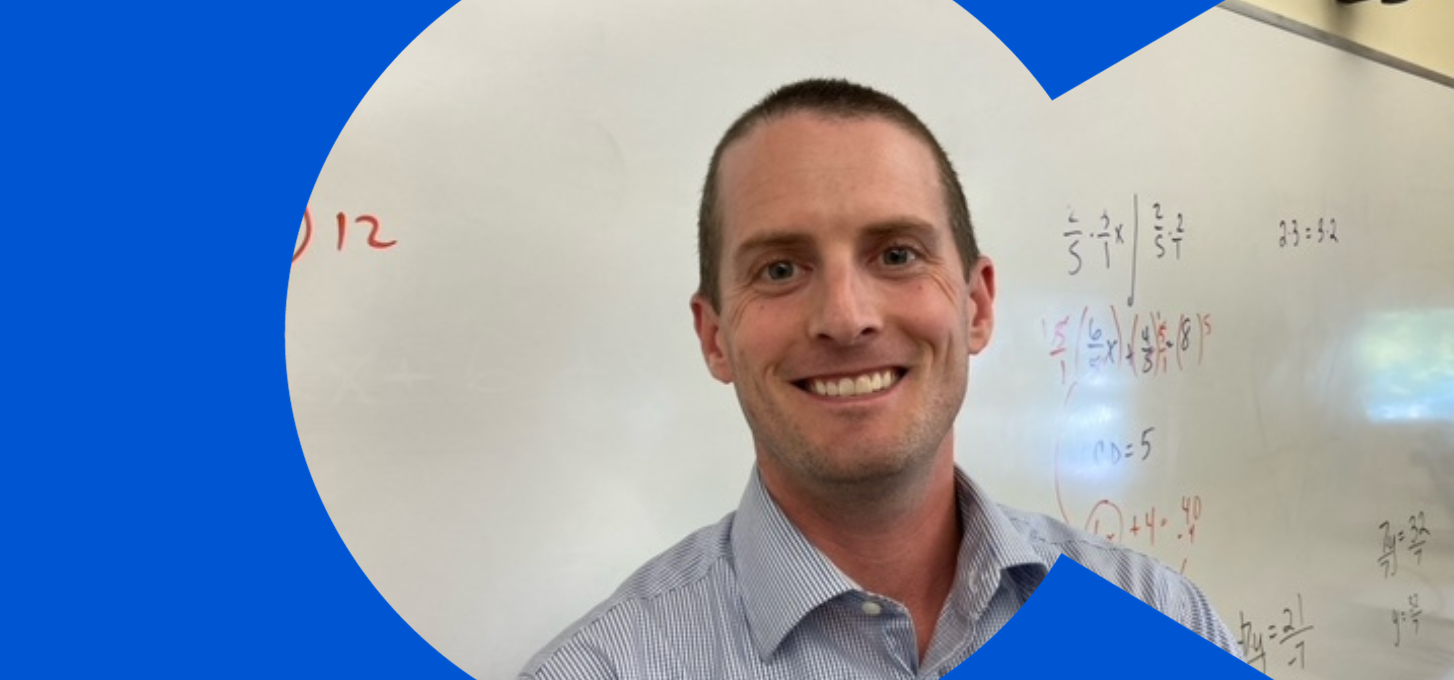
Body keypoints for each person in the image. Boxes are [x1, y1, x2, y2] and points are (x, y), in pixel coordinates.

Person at [519, 78, 1240, 679]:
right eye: (780, 269)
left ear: (978, 303)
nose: (845, 316)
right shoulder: (607, 667)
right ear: (715, 337)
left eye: (896, 255)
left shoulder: (1160, 625)